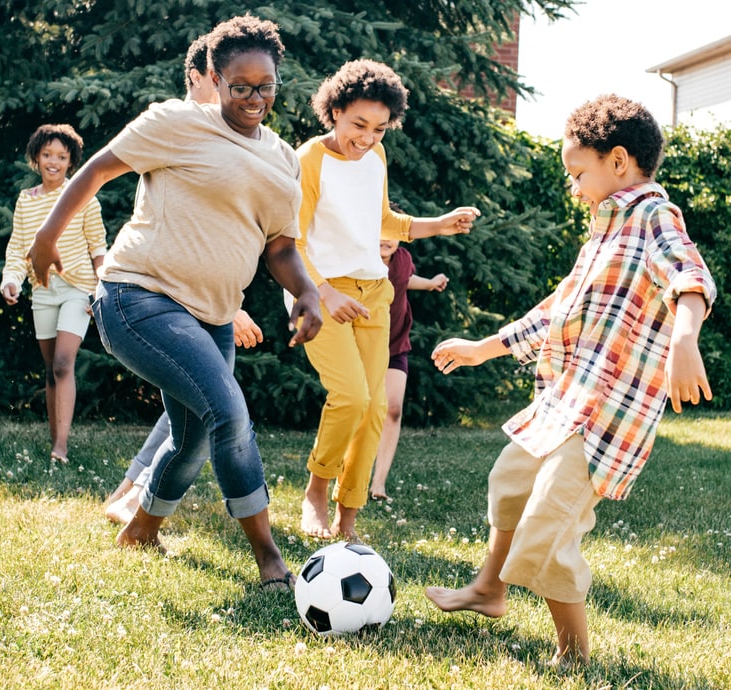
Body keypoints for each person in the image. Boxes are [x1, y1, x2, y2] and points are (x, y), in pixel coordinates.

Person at [28, 15, 322, 591]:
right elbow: (96, 170)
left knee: (193, 437)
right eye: (239, 86)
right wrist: (46, 237)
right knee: (229, 412)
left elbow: (281, 247)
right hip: (138, 297)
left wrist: (306, 290)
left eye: (266, 86)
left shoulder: (284, 159)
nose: (254, 98)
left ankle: (140, 530)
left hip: (212, 316)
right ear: (214, 77)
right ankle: (269, 559)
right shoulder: (177, 122)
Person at [425, 94, 716, 666]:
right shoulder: (603, 231)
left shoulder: (652, 215)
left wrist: (685, 339)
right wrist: (487, 347)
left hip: (606, 414)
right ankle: (489, 588)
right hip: (565, 401)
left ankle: (574, 653)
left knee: (548, 526)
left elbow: (690, 275)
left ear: (618, 161)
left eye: (578, 173)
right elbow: (560, 306)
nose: (574, 186)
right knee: (511, 483)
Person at [294, 58, 479, 542]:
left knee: (376, 408)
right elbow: (289, 241)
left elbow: (383, 223)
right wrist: (324, 292)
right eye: (358, 124)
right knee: (351, 396)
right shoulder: (310, 161)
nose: (368, 137)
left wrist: (438, 224)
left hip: (374, 294)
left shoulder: (375, 159)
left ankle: (348, 516)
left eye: (379, 128)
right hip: (319, 294)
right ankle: (317, 488)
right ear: (333, 111)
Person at [103, 32, 264, 526]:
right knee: (213, 401)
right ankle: (131, 496)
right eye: (219, 86)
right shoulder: (176, 124)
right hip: (151, 293)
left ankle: (134, 502)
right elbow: (174, 228)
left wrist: (226, 300)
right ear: (200, 79)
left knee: (194, 416)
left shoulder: (237, 139)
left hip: (203, 301)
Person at [0, 123, 107, 464]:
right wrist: (10, 280)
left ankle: (61, 446)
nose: (53, 162)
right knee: (51, 369)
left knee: (63, 362)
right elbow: (18, 248)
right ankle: (54, 442)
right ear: (36, 157)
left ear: (71, 162)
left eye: (61, 157)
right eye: (47, 155)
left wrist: (100, 290)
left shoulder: (83, 197)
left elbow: (98, 248)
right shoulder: (26, 201)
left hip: (79, 288)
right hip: (43, 290)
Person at [368, 234, 449, 501]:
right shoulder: (362, 259)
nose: (386, 239)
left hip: (395, 344)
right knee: (362, 409)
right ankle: (348, 474)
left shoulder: (403, 259)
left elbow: (405, 279)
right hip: (365, 344)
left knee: (393, 409)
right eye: (381, 232)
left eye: (393, 234)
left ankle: (379, 482)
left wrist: (429, 284)